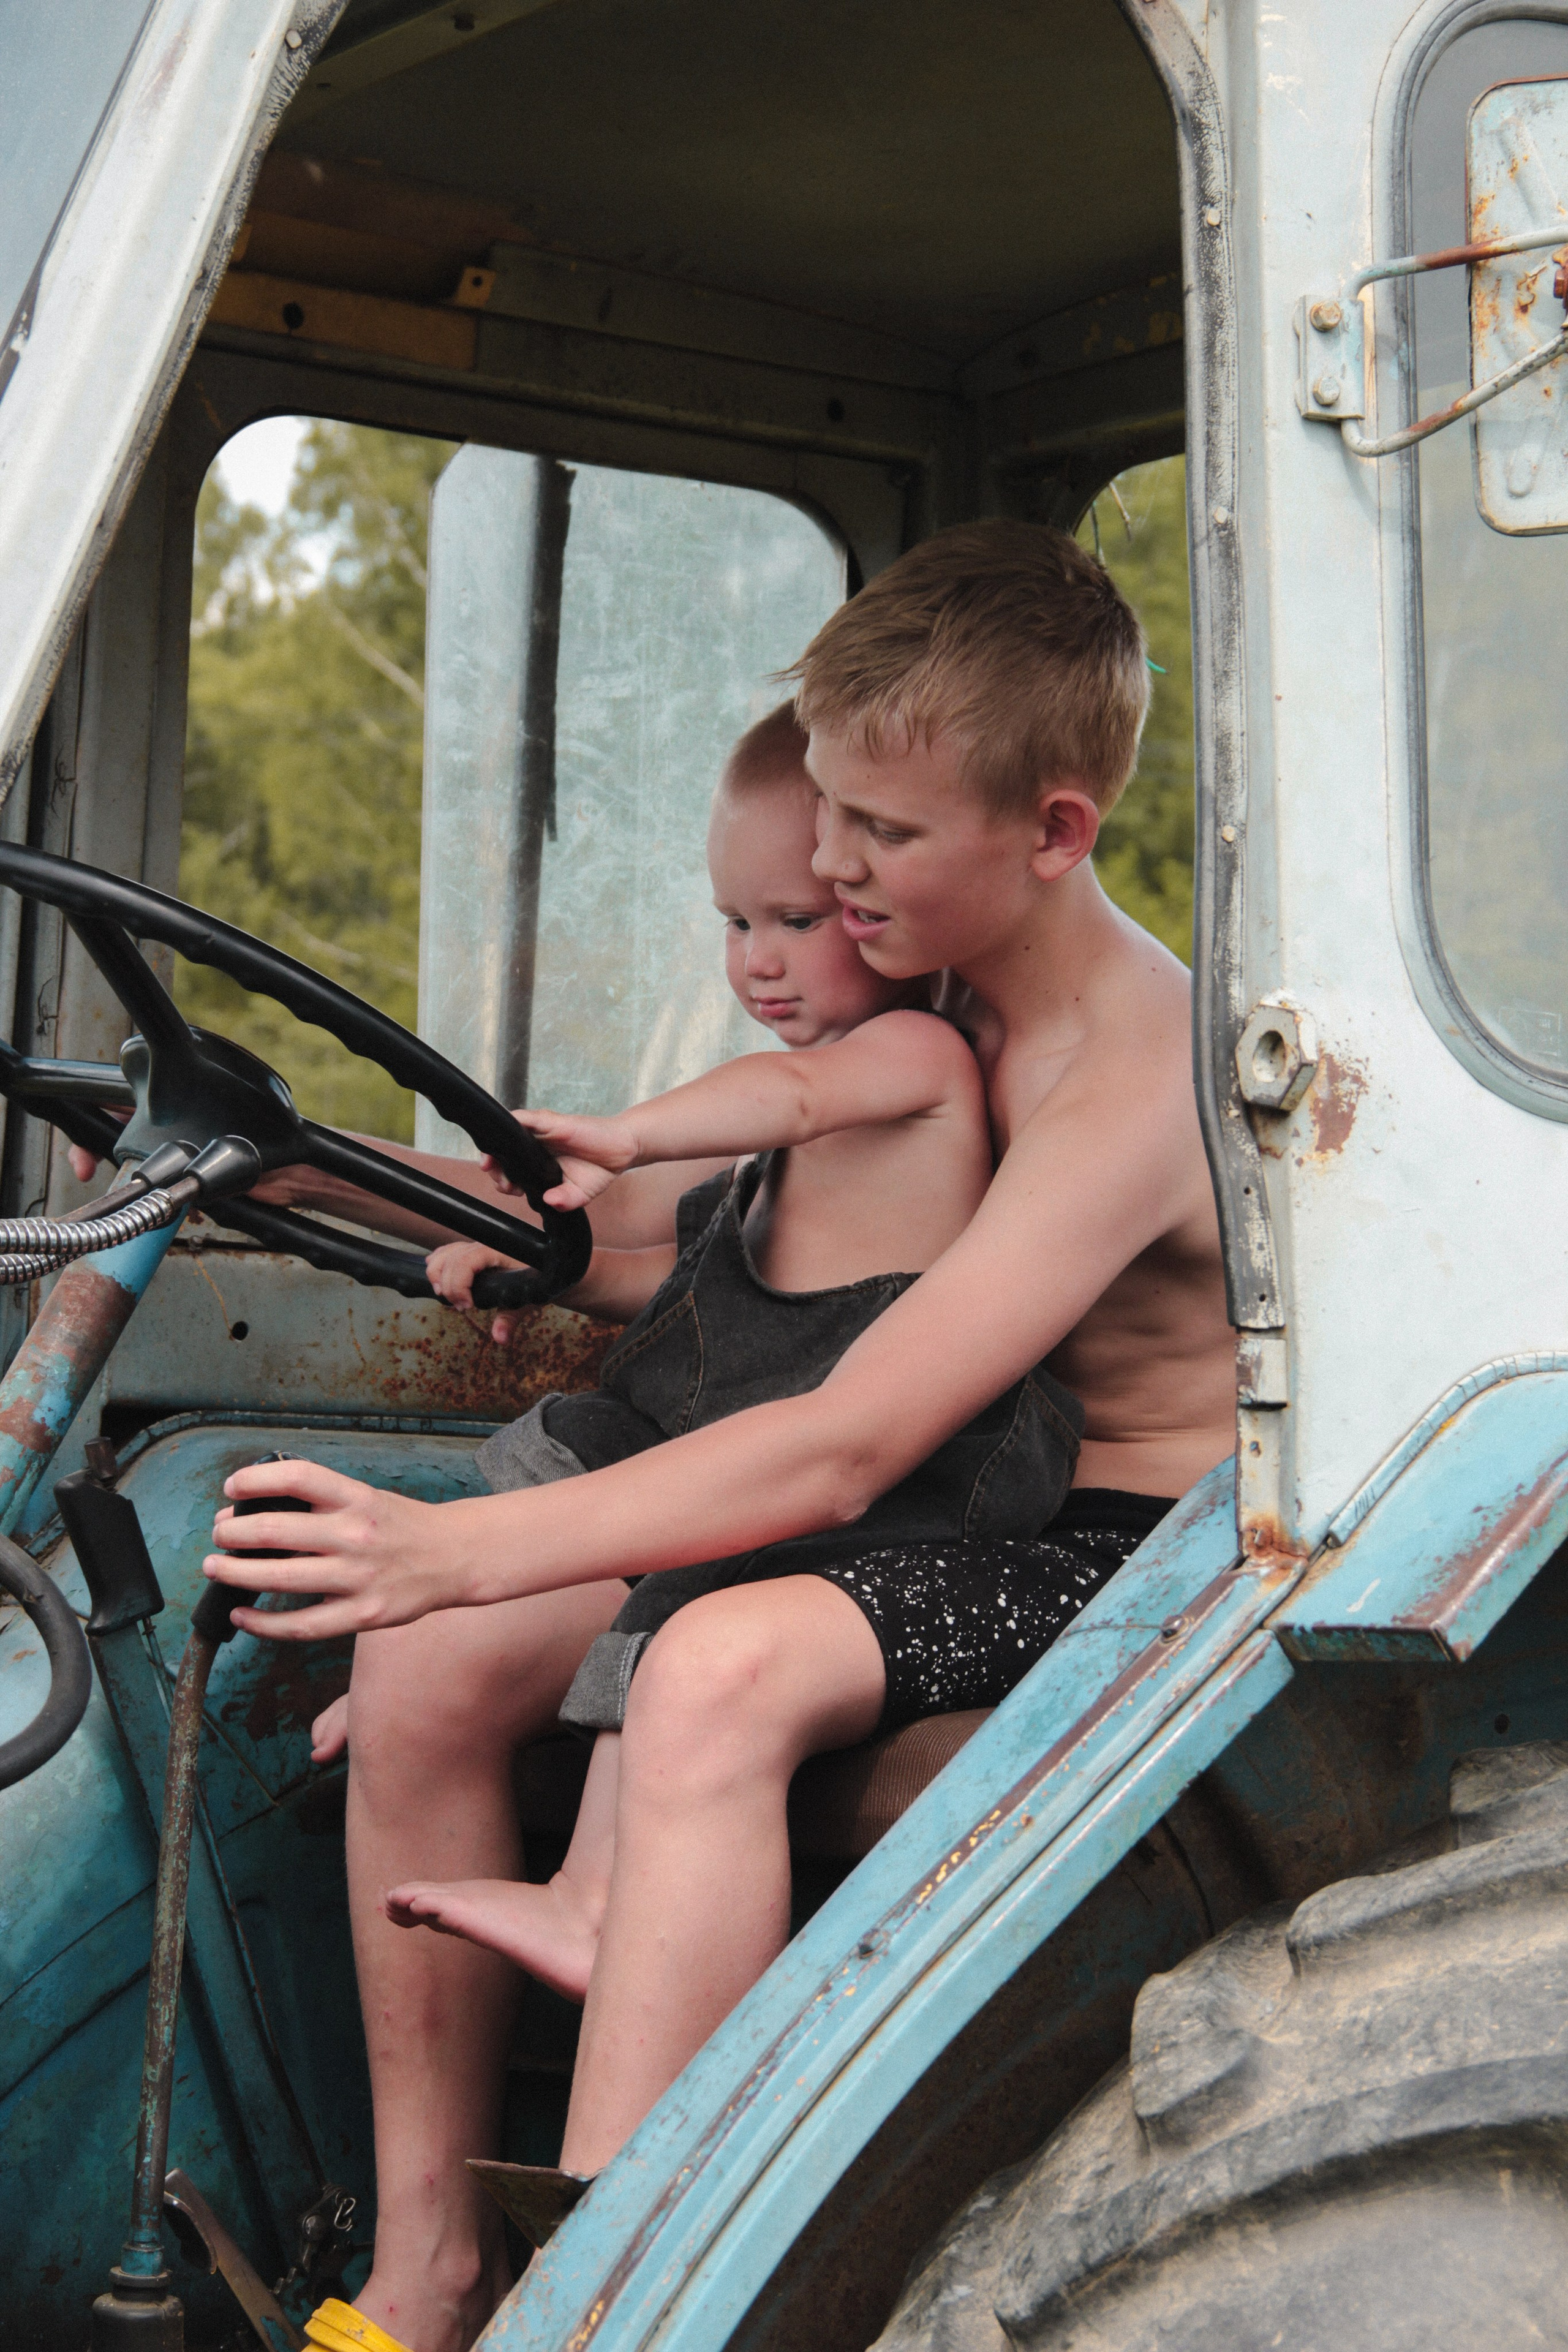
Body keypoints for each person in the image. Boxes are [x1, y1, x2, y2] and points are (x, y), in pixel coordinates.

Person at [205, 520, 1237, 2352]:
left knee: (711, 1665)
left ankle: (601, 2301)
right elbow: (682, 1249)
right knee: (428, 1656)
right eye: (827, 817)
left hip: (1114, 1549)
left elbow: (845, 1440)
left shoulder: (1129, 1068)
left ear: (1053, 832)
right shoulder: (922, 986)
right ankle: (431, 2268)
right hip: (926, 1500)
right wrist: (296, 1168)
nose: (828, 869)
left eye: (879, 834)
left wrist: (450, 1537)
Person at [379, 709, 1085, 1991]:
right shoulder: (791, 1110)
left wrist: (630, 1133)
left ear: (873, 907)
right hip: (749, 1413)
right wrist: (553, 1270)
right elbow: (682, 1279)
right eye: (733, 922)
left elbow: (789, 1097)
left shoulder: (911, 1056)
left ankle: (595, 1900)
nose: (757, 961)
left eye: (796, 921)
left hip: (906, 1483)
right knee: (585, 1458)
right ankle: (407, 1709)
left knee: (697, 1586)